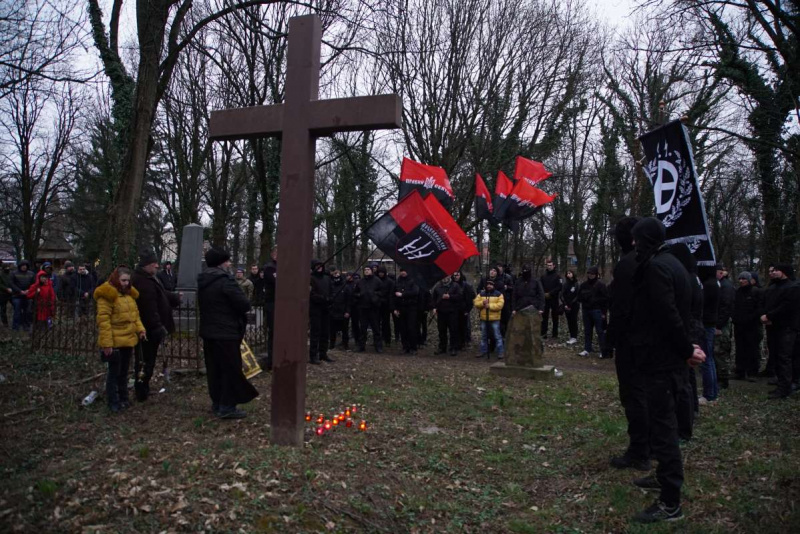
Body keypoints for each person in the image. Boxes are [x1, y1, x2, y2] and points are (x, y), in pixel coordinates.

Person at [628, 217, 706, 523]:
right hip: (667, 357)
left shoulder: (658, 267)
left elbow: (668, 315)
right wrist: (686, 348)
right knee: (664, 422)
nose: (633, 244)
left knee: (662, 427)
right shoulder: (673, 263)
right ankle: (663, 476)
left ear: (646, 238)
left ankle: (670, 502)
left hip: (661, 360)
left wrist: (686, 349)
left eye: (637, 238)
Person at [607, 216, 651, 470]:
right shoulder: (650, 260)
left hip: (632, 342)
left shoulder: (628, 265)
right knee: (644, 395)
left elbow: (621, 308)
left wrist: (611, 339)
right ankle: (648, 445)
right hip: (647, 340)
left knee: (634, 396)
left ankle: (639, 451)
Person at [197, 247, 258, 418]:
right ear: (221, 263)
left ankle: (217, 402)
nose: (230, 264)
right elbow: (244, 304)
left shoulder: (203, 281)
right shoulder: (226, 281)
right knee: (230, 369)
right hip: (226, 332)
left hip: (209, 332)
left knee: (214, 369)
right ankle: (227, 406)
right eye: (227, 261)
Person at [94, 266, 146, 413]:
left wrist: (140, 329)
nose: (125, 283)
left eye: (128, 281)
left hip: (128, 340)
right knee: (114, 373)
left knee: (123, 372)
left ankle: (124, 398)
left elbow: (135, 316)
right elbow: (103, 322)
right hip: (115, 341)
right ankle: (113, 401)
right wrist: (107, 344)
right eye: (123, 280)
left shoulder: (129, 295)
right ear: (116, 279)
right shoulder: (107, 295)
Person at [131, 250, 180, 402]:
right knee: (145, 360)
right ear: (147, 265)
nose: (157, 266)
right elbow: (148, 309)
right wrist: (157, 326)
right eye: (154, 264)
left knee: (148, 359)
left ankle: (144, 387)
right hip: (148, 330)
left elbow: (161, 293)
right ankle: (141, 391)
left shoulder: (150, 278)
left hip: (151, 328)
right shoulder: (143, 282)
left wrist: (174, 298)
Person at [761, 263, 800, 399]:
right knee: (777, 356)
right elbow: (769, 303)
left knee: (784, 357)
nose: (773, 272)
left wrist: (770, 316)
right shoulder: (773, 287)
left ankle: (785, 387)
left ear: (784, 272)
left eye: (776, 270)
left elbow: (787, 307)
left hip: (787, 328)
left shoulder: (793, 287)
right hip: (773, 326)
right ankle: (781, 384)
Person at [732, 272, 761, 382]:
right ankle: (740, 371)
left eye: (743, 279)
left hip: (752, 326)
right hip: (739, 326)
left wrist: (751, 318)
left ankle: (752, 372)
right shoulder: (738, 292)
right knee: (740, 349)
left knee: (752, 348)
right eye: (740, 279)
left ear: (748, 280)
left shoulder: (755, 291)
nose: (741, 281)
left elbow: (759, 308)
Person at [577, 266, 609, 358]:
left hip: (597, 311)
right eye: (589, 273)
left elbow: (606, 300)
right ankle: (587, 349)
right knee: (587, 331)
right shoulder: (583, 285)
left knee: (600, 331)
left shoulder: (601, 285)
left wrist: (604, 313)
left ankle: (603, 351)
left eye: (592, 274)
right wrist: (584, 298)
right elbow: (579, 297)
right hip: (586, 310)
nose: (590, 275)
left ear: (596, 274)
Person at [699, 266, 720, 403]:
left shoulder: (709, 285)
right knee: (709, 359)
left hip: (706, 323)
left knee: (706, 359)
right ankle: (712, 391)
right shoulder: (714, 283)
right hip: (710, 323)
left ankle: (709, 393)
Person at [353, 265, 383, 353]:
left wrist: (375, 297)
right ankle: (361, 346)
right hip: (363, 307)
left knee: (376, 328)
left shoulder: (377, 281)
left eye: (368, 269)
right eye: (365, 270)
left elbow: (382, 292)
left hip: (373, 308)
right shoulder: (360, 281)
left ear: (371, 271)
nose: (366, 271)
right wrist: (359, 295)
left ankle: (378, 346)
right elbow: (355, 293)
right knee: (363, 328)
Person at [309, 259, 333, 364]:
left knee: (325, 332)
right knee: (316, 332)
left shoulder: (327, 278)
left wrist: (330, 299)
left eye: (321, 266)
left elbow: (332, 291)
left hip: (326, 309)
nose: (319, 268)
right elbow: (311, 294)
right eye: (317, 266)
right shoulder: (311, 279)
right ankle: (313, 355)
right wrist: (323, 298)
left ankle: (323, 353)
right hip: (315, 309)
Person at [715, 265, 735, 389]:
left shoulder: (725, 286)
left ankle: (723, 379)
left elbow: (725, 307)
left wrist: (719, 325)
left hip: (722, 324)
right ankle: (720, 377)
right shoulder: (722, 284)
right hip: (721, 322)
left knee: (721, 351)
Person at [474, 278, 505, 359]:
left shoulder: (499, 294)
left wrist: (490, 306)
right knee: (484, 335)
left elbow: (500, 305)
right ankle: (483, 350)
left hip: (495, 318)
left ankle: (500, 352)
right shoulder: (481, 294)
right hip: (484, 318)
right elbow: (476, 303)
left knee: (497, 335)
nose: (489, 286)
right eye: (488, 284)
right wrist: (482, 303)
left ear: (493, 285)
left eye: (491, 284)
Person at [433, 275, 463, 356]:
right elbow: (434, 299)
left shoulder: (455, 286)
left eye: (446, 276)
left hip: (452, 312)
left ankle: (453, 348)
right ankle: (442, 347)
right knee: (441, 330)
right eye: (443, 276)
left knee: (453, 330)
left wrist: (450, 296)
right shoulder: (438, 286)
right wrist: (434, 308)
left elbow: (460, 296)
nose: (444, 278)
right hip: (441, 312)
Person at [392, 266, 420, 354]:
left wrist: (403, 294)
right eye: (402, 271)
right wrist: (395, 308)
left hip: (411, 307)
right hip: (401, 307)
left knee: (411, 328)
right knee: (402, 328)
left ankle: (413, 347)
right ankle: (405, 347)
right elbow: (394, 295)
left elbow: (415, 292)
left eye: (405, 271)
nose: (403, 272)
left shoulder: (413, 280)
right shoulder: (397, 281)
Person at [261, 249, 278, 370]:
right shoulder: (269, 268)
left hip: (282, 303)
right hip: (272, 303)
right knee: (274, 332)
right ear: (273, 254)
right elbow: (278, 282)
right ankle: (272, 361)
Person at [328, 267, 351, 351]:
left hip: (343, 311)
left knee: (345, 329)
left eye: (338, 274)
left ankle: (345, 344)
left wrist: (348, 311)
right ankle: (331, 344)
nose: (336, 275)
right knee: (332, 330)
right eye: (335, 274)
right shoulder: (330, 285)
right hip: (333, 311)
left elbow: (349, 300)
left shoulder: (345, 286)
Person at [10, 260, 35, 330]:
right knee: (17, 311)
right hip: (16, 296)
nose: (24, 267)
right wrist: (20, 291)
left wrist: (29, 290)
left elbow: (33, 284)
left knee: (27, 311)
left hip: (28, 296)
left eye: (25, 265)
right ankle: (15, 327)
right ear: (20, 266)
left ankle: (26, 326)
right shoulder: (14, 273)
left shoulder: (31, 274)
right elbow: (12, 284)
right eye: (22, 265)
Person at [540, 259, 562, 339]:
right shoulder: (543, 276)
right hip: (545, 299)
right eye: (548, 265)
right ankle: (543, 333)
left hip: (554, 299)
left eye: (550, 265)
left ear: (554, 266)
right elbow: (540, 286)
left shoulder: (557, 276)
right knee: (544, 316)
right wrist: (544, 294)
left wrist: (551, 293)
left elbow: (559, 287)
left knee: (555, 317)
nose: (549, 267)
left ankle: (555, 334)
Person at [452, 271, 474, 349]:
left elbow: (470, 298)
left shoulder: (466, 285)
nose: (456, 276)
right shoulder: (451, 285)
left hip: (463, 309)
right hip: (453, 309)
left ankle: (465, 341)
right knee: (455, 327)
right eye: (454, 275)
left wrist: (467, 310)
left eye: (457, 275)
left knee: (465, 326)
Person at [375, 265, 394, 347]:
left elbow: (391, 294)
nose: (381, 274)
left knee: (386, 323)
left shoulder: (389, 282)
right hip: (376, 304)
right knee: (376, 323)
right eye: (379, 272)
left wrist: (390, 305)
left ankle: (387, 339)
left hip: (385, 305)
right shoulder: (375, 280)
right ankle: (378, 339)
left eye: (382, 273)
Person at [561, 270, 580, 345]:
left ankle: (574, 337)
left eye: (570, 273)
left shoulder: (577, 284)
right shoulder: (565, 284)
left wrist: (571, 304)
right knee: (569, 321)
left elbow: (578, 295)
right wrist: (565, 304)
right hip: (566, 305)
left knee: (573, 320)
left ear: (573, 274)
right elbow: (561, 295)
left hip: (574, 305)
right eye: (567, 273)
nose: (568, 274)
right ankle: (571, 336)